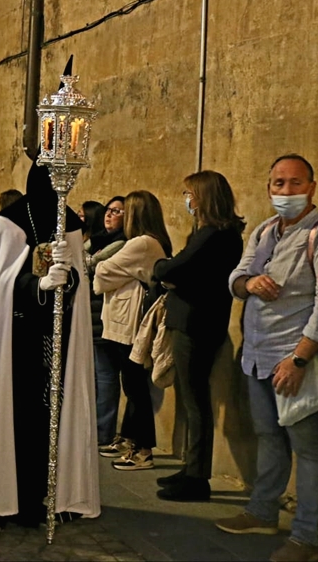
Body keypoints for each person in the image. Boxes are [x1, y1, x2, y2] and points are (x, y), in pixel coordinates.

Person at [0, 163, 99, 529]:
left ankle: (51, 493)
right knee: (16, 419)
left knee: (52, 417)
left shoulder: (71, 222)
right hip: (15, 342)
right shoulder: (9, 222)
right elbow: (0, 286)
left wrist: (68, 281)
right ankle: (3, 499)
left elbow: (78, 287)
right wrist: (38, 285)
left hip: (58, 340)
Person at [218, 154, 318, 561]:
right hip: (257, 355)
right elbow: (235, 277)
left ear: (311, 187)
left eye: (295, 183)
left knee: (309, 449)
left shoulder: (317, 234)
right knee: (268, 437)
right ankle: (263, 510)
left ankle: (308, 535)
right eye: (278, 183)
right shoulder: (264, 231)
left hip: (294, 359)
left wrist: (299, 359)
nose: (286, 191)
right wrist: (249, 282)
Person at [151, 170, 244, 501]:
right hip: (197, 320)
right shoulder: (215, 233)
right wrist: (173, 273)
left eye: (190, 194)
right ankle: (191, 468)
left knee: (195, 400)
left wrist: (164, 271)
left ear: (204, 196)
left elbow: (173, 268)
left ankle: (197, 477)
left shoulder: (214, 235)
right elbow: (185, 271)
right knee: (191, 399)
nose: (187, 200)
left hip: (196, 323)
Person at [93, 191, 173, 471]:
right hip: (122, 321)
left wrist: (116, 273)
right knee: (132, 385)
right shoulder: (145, 242)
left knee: (136, 387)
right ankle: (131, 440)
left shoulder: (142, 243)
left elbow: (102, 273)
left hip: (130, 323)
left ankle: (143, 450)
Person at [87, 196, 130, 455]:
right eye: (108, 210)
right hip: (91, 316)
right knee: (96, 376)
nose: (109, 215)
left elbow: (92, 267)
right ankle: (94, 428)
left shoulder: (120, 244)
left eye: (116, 211)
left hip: (105, 317)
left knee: (106, 376)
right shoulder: (98, 239)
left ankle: (103, 431)